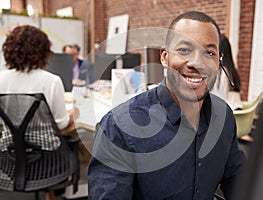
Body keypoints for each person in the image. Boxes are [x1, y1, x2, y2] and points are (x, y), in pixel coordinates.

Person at [88, 11, 246, 200]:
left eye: (209, 53)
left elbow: (241, 184)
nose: (197, 63)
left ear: (218, 63)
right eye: (184, 50)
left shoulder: (223, 116)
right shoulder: (119, 127)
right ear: (164, 57)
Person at [0, 25, 75, 200]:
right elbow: (62, 124)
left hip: (8, 157)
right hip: (47, 160)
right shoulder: (51, 81)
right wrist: (73, 114)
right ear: (43, 51)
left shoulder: (0, 79)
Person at [211, 34, 243, 110]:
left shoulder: (222, 72)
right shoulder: (231, 70)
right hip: (238, 113)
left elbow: (218, 98)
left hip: (226, 114)